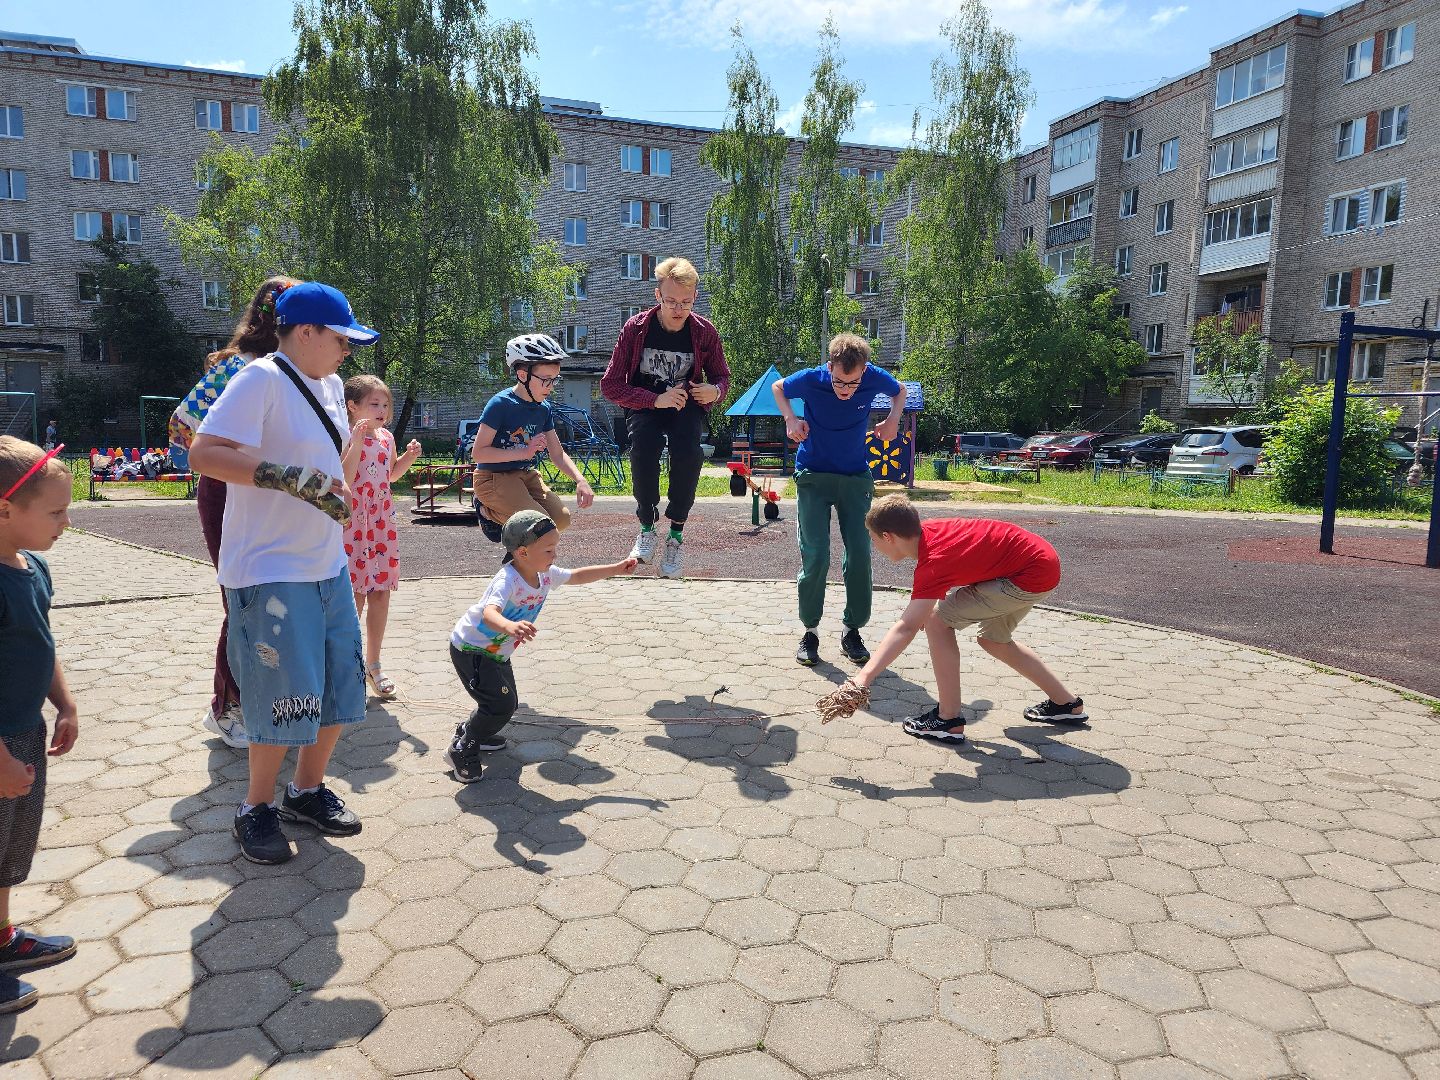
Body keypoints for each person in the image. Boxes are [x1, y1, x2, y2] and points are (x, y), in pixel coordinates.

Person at [188, 281, 379, 865]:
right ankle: (256, 806)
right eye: (342, 338)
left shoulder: (327, 384)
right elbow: (204, 453)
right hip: (269, 567)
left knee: (336, 684)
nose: (349, 350)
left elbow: (323, 460)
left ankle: (306, 791)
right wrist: (286, 478)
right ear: (306, 332)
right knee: (280, 694)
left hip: (325, 563)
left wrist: (336, 483)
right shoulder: (260, 379)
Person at [170, 276, 300, 749]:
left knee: (277, 600)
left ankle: (266, 700)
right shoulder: (244, 369)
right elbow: (184, 427)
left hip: (273, 497)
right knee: (243, 600)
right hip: (227, 494)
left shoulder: (295, 371)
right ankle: (226, 708)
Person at [847, 494, 1086, 742]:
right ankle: (1066, 704)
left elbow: (906, 627)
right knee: (994, 640)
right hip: (1041, 562)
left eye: (874, 540)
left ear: (888, 537)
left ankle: (947, 719)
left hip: (1027, 575)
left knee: (937, 622)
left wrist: (864, 677)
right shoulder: (929, 533)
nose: (874, 546)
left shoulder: (933, 563)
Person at [446, 510, 636, 782]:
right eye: (548, 550)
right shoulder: (507, 579)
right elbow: (489, 612)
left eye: (555, 548)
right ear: (522, 553)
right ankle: (462, 748)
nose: (555, 555)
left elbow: (578, 576)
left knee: (505, 704)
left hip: (497, 652)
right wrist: (510, 627)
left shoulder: (544, 574)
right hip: (472, 649)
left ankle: (471, 731)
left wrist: (616, 568)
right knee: (499, 705)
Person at [0, 437, 79, 1014]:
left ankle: (2, 940)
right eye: (55, 513)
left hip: (25, 734)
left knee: (9, 852)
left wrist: (66, 703)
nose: (67, 523)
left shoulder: (35, 568)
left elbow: (42, 646)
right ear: (5, 509)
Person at [773, 332, 905, 668]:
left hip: (854, 477)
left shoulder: (873, 376)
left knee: (859, 554)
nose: (845, 390)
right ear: (829, 366)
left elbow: (899, 391)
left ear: (864, 371)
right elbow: (779, 387)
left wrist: (892, 420)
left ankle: (852, 631)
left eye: (853, 383)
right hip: (814, 476)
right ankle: (811, 633)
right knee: (816, 554)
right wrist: (791, 419)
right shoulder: (812, 379)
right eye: (839, 381)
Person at [601, 256, 730, 579]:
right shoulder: (635, 329)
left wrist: (714, 391)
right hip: (644, 404)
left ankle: (674, 535)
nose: (678, 309)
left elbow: (722, 377)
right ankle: (646, 527)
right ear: (658, 296)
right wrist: (655, 399)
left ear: (695, 298)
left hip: (685, 405)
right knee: (644, 447)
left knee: (689, 452)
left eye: (685, 302)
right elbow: (611, 385)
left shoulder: (704, 332)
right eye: (671, 301)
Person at [471, 334, 595, 545]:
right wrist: (523, 452)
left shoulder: (544, 408)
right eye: (546, 380)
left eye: (555, 379)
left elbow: (557, 453)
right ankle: (486, 511)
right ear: (522, 375)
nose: (551, 386)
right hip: (492, 478)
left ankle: (506, 520)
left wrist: (580, 480)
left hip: (524, 475)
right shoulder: (500, 404)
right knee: (538, 524)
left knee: (561, 520)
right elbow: (479, 452)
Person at [342, 374, 422, 699]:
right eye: (374, 404)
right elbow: (344, 477)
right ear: (352, 406)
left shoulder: (387, 437)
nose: (382, 410)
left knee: (380, 593)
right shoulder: (344, 434)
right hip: (353, 525)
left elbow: (389, 475)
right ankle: (347, 666)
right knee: (353, 597)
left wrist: (408, 459)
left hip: (381, 525)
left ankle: (374, 664)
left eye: (385, 404)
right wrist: (357, 442)